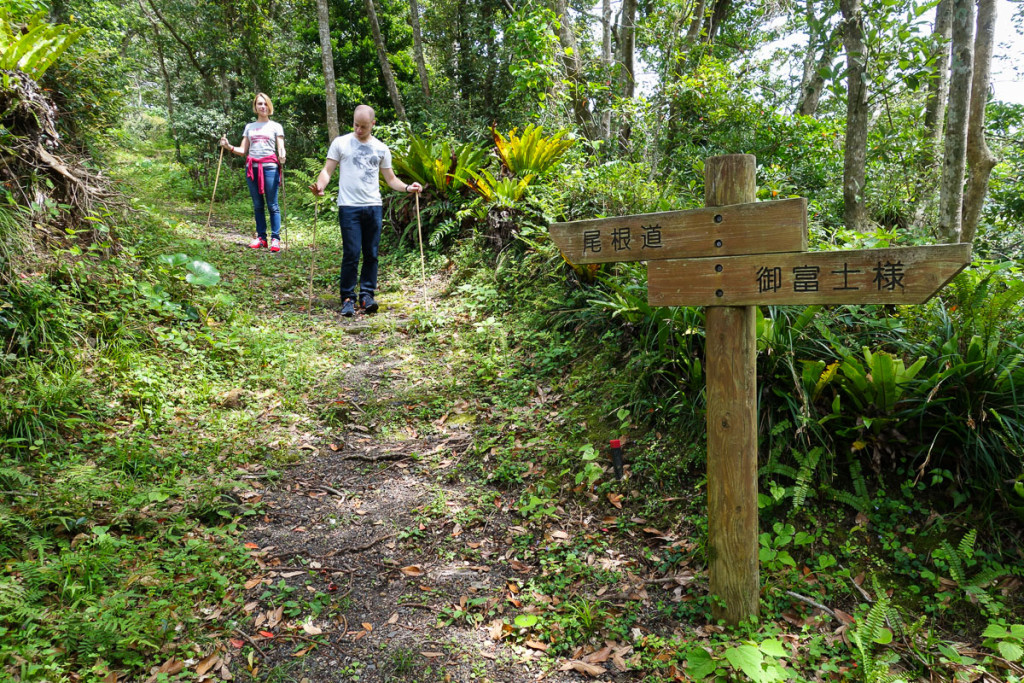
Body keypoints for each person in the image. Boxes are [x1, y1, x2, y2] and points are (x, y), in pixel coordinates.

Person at [310, 105, 422, 317]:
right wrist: (320, 186)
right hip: (349, 207)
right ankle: (347, 298)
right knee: (351, 253)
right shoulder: (340, 143)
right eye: (356, 125)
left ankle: (367, 295)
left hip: (373, 206)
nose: (359, 130)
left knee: (371, 253)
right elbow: (327, 170)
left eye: (363, 126)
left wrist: (408, 188)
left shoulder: (381, 148)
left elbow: (391, 179)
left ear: (373, 124)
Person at [220, 93, 286, 252]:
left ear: (269, 106)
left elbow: (281, 146)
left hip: (270, 167)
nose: (262, 106)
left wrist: (282, 155)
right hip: (252, 169)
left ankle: (275, 239)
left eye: (265, 104)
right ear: (255, 107)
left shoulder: (276, 126)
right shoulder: (249, 127)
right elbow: (243, 150)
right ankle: (261, 238)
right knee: (258, 205)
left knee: (273, 205)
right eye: (259, 104)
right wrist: (228, 146)